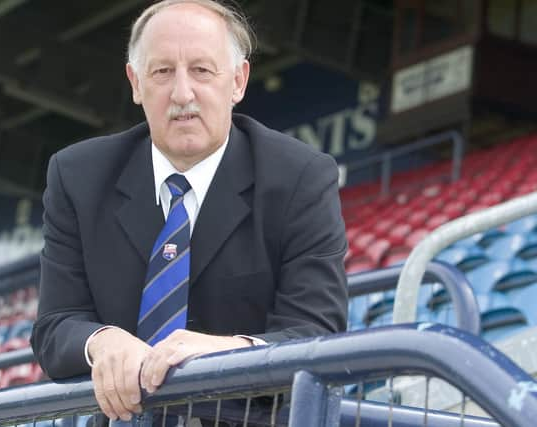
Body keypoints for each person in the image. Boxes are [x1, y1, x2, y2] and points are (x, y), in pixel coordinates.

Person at [30, 0, 348, 424]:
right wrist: (102, 341)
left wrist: (229, 351)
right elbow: (54, 327)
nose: (182, 93)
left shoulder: (300, 177)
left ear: (238, 81)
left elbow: (318, 333)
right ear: (136, 83)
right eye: (162, 72)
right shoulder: (77, 176)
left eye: (201, 70)